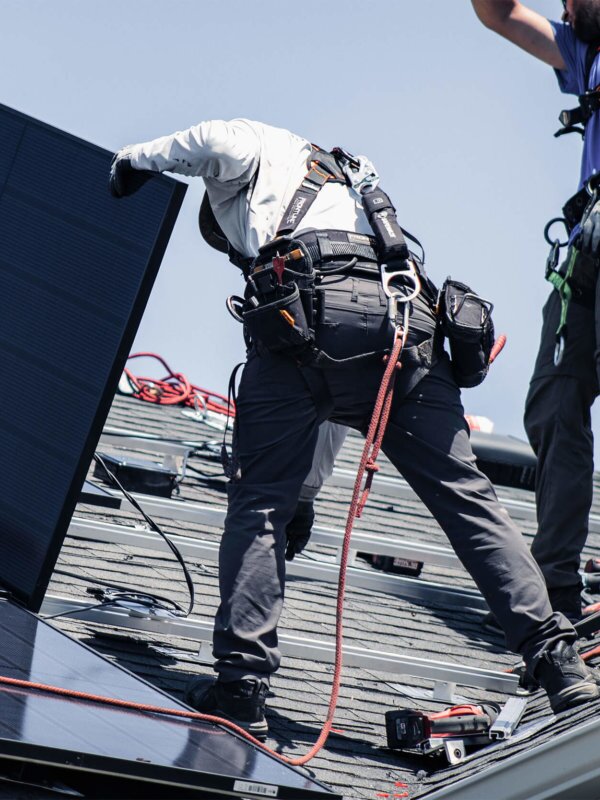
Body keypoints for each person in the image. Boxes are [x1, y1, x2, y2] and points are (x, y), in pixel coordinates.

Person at [109, 117, 598, 739]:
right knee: (468, 502)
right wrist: (309, 494)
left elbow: (212, 140)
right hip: (404, 329)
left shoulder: (261, 147)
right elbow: (340, 400)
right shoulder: (350, 186)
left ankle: (240, 689)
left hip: (311, 319)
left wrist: (136, 160)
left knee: (259, 505)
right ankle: (559, 667)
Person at [471, 0, 600, 624]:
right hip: (586, 254)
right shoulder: (587, 50)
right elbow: (498, 13)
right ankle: (557, 590)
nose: (567, 8)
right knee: (554, 402)